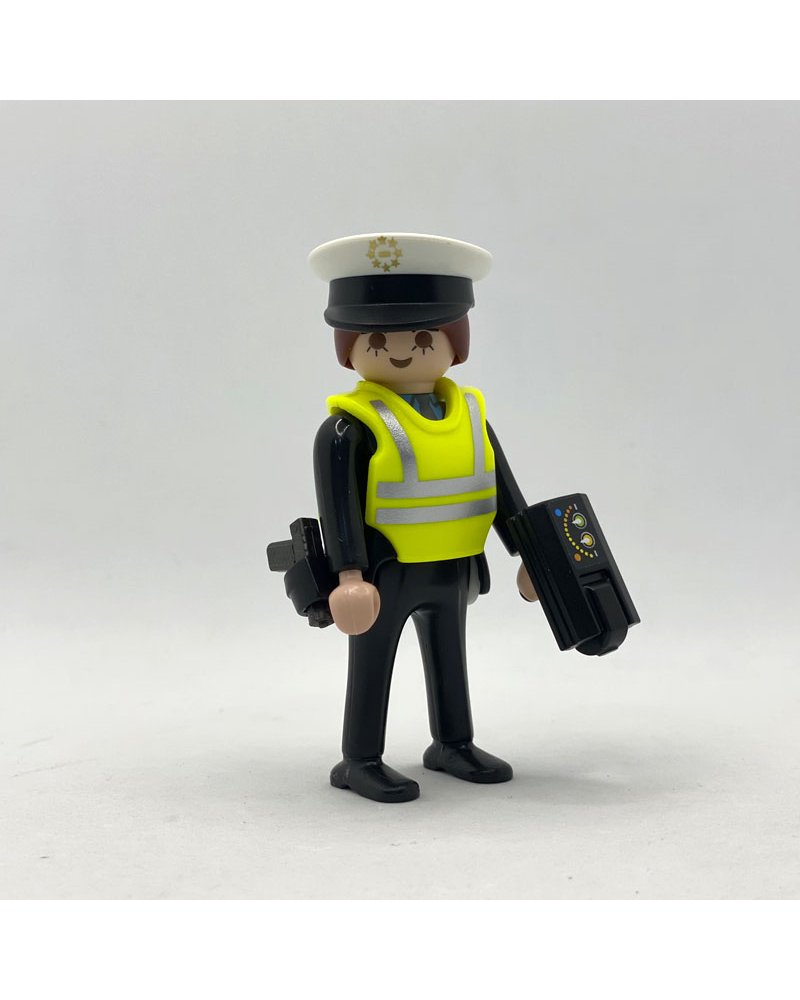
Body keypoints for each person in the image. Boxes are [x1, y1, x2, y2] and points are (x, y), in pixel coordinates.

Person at [309, 233, 537, 803]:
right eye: (377, 339)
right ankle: (360, 758)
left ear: (455, 343)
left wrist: (531, 554)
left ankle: (453, 743)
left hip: (455, 568)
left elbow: (501, 491)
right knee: (373, 663)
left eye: (424, 337)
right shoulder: (347, 428)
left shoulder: (471, 418)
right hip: (385, 573)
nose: (402, 351)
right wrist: (348, 576)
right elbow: (337, 507)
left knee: (449, 658)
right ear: (350, 348)